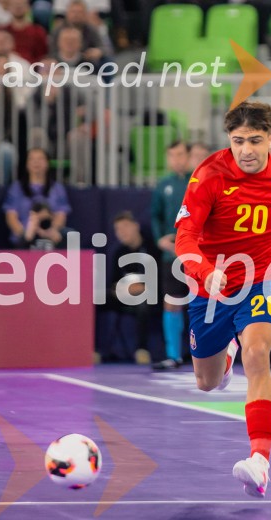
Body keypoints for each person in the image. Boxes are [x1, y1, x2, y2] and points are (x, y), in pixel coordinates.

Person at [174, 101, 271, 497]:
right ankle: (226, 355)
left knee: (257, 354)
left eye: (255, 140)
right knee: (207, 382)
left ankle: (259, 461)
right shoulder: (209, 175)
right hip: (211, 287)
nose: (246, 150)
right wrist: (206, 272)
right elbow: (185, 239)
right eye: (238, 141)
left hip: (264, 276)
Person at [150, 140, 193, 370]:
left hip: (197, 254)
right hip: (172, 254)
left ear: (188, 156)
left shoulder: (198, 181)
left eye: (180, 154)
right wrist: (161, 239)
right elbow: (155, 216)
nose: (176, 159)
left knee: (203, 302)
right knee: (172, 302)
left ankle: (205, 355)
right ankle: (173, 355)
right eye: (172, 155)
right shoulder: (163, 185)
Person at [102, 210, 159, 365]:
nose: (122, 232)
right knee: (98, 300)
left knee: (143, 303)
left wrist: (142, 288)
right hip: (124, 296)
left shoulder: (152, 248)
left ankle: (142, 350)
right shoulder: (118, 252)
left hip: (150, 298)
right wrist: (123, 289)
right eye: (117, 229)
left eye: (125, 227)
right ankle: (96, 350)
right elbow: (113, 283)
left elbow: (158, 282)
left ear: (136, 226)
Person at [3, 148, 71, 246]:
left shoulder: (57, 188)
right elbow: (11, 217)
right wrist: (25, 235)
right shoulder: (16, 188)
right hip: (25, 237)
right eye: (32, 159)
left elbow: (61, 215)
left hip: (50, 237)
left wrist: (52, 229)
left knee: (69, 234)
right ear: (26, 164)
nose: (36, 162)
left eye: (40, 159)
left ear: (47, 163)